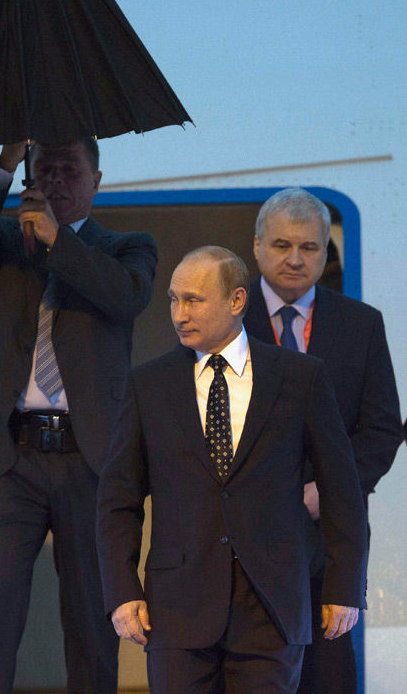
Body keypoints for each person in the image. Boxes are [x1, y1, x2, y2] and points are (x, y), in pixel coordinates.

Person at [97, 246, 368, 694]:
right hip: (178, 607)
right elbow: (117, 500)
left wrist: (344, 586)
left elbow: (342, 491)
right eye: (173, 299)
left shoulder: (300, 377)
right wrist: (122, 590)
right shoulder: (149, 384)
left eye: (193, 300)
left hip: (274, 605)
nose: (179, 314)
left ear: (237, 300)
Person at [0, 137, 157, 694]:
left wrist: (58, 240)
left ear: (97, 181)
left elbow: (126, 296)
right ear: (30, 178)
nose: (57, 180)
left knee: (91, 613)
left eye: (70, 170)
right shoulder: (3, 245)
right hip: (8, 458)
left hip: (89, 459)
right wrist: (5, 161)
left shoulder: (126, 248)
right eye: (45, 170)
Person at [243, 187, 403, 694]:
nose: (295, 258)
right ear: (257, 247)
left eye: (309, 247)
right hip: (242, 535)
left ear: (324, 252)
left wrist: (327, 491)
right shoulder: (226, 320)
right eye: (282, 245)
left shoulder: (361, 324)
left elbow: (382, 429)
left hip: (331, 537)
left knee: (329, 675)